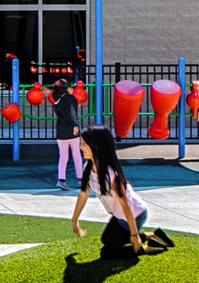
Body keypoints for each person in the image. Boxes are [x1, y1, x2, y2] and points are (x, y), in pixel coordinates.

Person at [69, 127, 171, 255]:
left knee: (108, 252)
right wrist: (74, 220)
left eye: (84, 143)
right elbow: (83, 194)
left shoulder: (112, 175)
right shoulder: (88, 167)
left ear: (96, 146)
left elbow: (126, 204)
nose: (80, 147)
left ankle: (149, 248)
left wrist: (134, 235)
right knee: (105, 239)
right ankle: (153, 235)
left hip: (135, 214)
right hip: (120, 215)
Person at [50, 81, 83, 191]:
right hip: (71, 130)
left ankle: (61, 180)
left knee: (63, 156)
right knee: (76, 155)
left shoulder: (57, 100)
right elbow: (72, 112)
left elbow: (65, 112)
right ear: (67, 88)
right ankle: (80, 179)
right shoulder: (71, 98)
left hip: (60, 131)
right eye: (71, 86)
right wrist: (75, 124)